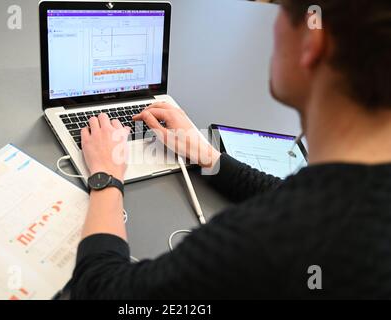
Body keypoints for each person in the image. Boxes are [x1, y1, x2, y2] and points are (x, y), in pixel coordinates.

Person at [69, 0, 391, 299]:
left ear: (313, 44)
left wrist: (106, 177)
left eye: (279, 10)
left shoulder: (258, 243)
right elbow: (281, 193)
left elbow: (104, 292)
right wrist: (209, 158)